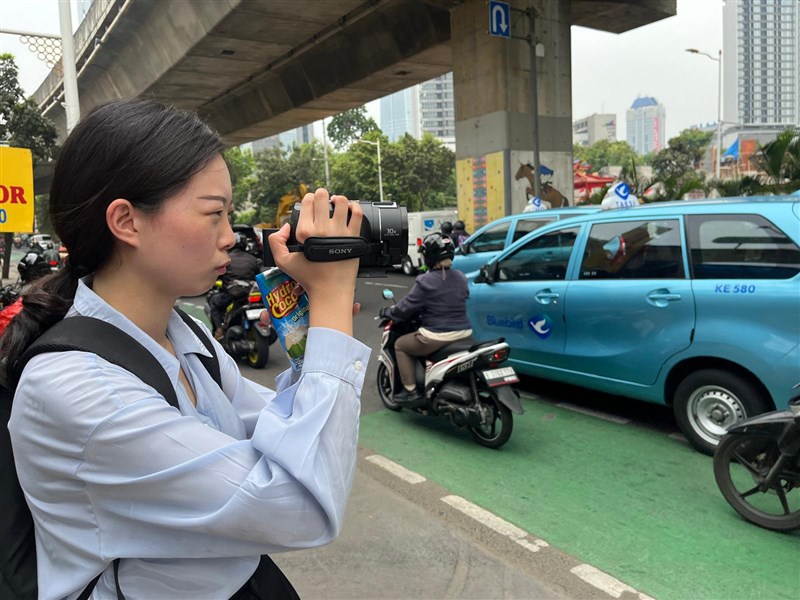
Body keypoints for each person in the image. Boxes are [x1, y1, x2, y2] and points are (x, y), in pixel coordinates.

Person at [0, 98, 369, 598]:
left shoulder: (182, 333)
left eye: (229, 215)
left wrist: (312, 322)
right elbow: (298, 505)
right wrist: (331, 298)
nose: (228, 238)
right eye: (213, 214)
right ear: (126, 222)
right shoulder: (76, 389)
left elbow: (286, 432)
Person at [382, 232, 471, 407]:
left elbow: (405, 307)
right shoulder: (461, 276)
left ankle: (410, 390)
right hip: (464, 333)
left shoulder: (426, 280)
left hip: (437, 335)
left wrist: (389, 311)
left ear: (429, 256)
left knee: (400, 344)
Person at [209, 230, 261, 340]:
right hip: (249, 294)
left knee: (214, 302)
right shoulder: (252, 259)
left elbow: (219, 276)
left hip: (232, 294)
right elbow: (258, 275)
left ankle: (219, 330)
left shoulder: (226, 258)